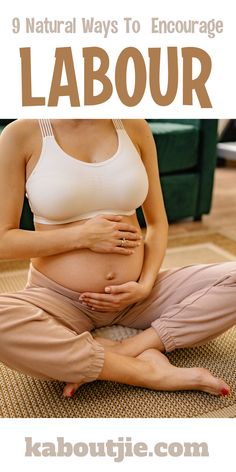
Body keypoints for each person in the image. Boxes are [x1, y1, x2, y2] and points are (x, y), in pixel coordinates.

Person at [0, 118, 235, 400]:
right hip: (58, 300)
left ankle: (128, 346)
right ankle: (145, 371)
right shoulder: (21, 133)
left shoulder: (134, 127)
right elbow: (4, 240)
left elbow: (158, 224)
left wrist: (146, 284)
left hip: (138, 297)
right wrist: (82, 236)